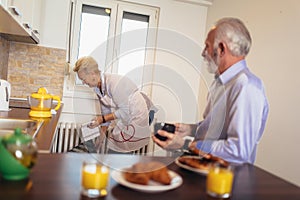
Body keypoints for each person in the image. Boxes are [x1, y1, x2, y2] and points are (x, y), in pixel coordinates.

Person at [152, 17, 269, 164]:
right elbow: (218, 127)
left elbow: (239, 151)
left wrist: (186, 145)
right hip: (204, 168)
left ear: (221, 49)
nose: (203, 53)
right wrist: (190, 130)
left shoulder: (246, 86)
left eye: (207, 46)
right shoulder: (220, 83)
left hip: (227, 181)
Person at [73, 56, 156, 153]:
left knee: (118, 150)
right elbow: (105, 113)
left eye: (83, 79)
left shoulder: (114, 83)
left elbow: (124, 111)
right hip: (126, 116)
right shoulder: (97, 89)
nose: (83, 83)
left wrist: (101, 119)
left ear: (92, 74)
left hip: (138, 114)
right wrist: (101, 138)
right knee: (114, 149)